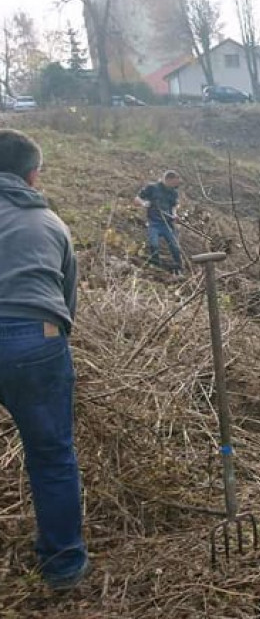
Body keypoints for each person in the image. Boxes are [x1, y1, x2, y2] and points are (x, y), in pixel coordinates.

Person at [0, 129, 90, 590]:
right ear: (32, 175)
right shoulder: (50, 225)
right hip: (35, 339)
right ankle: (63, 568)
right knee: (51, 456)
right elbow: (66, 299)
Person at [135, 170, 183, 273]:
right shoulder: (152, 188)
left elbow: (174, 206)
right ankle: (156, 268)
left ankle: (179, 269)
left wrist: (175, 215)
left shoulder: (173, 192)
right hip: (154, 223)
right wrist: (144, 203)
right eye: (174, 183)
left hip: (168, 224)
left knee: (175, 246)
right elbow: (137, 199)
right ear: (168, 180)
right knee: (154, 245)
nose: (176, 185)